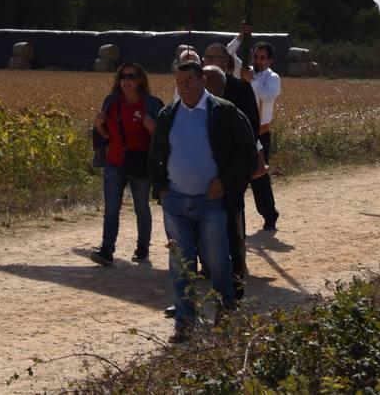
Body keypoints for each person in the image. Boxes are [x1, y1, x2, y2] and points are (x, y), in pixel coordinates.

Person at [149, 61, 256, 343]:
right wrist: (160, 188)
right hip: (175, 203)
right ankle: (185, 322)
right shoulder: (168, 115)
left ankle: (225, 310)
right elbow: (156, 154)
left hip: (211, 203)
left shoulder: (225, 113)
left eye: (189, 81)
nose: (184, 87)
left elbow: (246, 152)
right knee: (181, 265)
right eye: (179, 83)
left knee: (218, 260)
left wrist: (226, 182)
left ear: (203, 81)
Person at [88, 62, 163, 265]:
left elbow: (161, 140)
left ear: (140, 80)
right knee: (111, 207)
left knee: (141, 206)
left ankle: (142, 248)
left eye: (131, 77)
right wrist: (98, 126)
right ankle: (106, 250)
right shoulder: (112, 102)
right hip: (114, 162)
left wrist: (152, 128)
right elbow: (106, 135)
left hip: (140, 163)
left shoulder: (153, 105)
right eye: (123, 77)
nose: (126, 81)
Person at [202, 43, 261, 297]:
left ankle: (236, 275)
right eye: (208, 56)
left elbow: (251, 130)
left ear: (227, 62)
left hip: (232, 168)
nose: (212, 60)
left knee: (231, 221)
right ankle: (208, 266)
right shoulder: (194, 87)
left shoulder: (241, 89)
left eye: (217, 56)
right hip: (202, 169)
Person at [236, 26, 281, 230]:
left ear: (270, 60)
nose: (259, 60)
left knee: (259, 176)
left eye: (263, 57)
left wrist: (251, 80)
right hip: (241, 131)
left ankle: (269, 214)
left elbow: (268, 96)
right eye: (256, 56)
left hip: (260, 132)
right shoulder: (246, 71)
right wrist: (240, 38)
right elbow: (228, 55)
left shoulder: (272, 78)